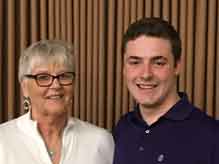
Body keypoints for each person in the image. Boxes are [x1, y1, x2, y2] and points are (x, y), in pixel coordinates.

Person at [113, 17, 219, 164]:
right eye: (135, 62)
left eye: (158, 63)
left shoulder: (213, 136)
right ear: (124, 68)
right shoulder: (123, 128)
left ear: (177, 66)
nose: (146, 74)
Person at [0, 40, 114, 164]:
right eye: (43, 77)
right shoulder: (3, 140)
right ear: (25, 87)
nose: (56, 85)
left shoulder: (100, 141)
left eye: (64, 76)